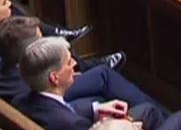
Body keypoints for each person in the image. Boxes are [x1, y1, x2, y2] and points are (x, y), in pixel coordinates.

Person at [14, 37, 181, 130]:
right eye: (69, 63)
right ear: (54, 78)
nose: (75, 64)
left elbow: (59, 112)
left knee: (148, 111)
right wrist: (127, 126)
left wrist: (96, 110)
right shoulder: (72, 126)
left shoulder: (21, 101)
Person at [0, 16, 144, 105]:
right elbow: (44, 93)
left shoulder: (11, 64)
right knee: (103, 76)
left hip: (45, 92)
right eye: (41, 40)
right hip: (49, 98)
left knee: (101, 74)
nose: (45, 41)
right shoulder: (19, 86)